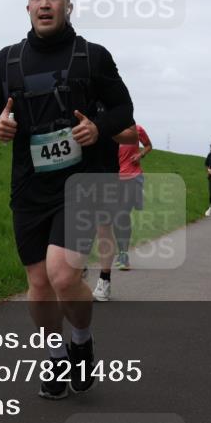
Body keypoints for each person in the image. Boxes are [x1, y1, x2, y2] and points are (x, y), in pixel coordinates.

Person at [0, 0, 134, 399]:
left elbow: (124, 109)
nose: (45, 3)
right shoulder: (8, 60)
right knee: (39, 286)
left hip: (83, 183)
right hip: (30, 186)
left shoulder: (92, 57)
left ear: (68, 5)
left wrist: (97, 128)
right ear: (27, 7)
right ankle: (55, 355)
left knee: (63, 275)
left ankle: (80, 341)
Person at [89, 121, 137, 302]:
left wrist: (100, 129)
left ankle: (104, 279)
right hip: (74, 174)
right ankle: (75, 269)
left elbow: (133, 136)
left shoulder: (112, 99)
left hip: (109, 175)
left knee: (105, 226)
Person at [112, 123, 151, 271]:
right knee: (116, 216)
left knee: (123, 212)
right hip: (115, 178)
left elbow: (148, 145)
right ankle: (121, 251)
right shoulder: (109, 130)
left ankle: (124, 255)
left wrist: (140, 154)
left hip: (133, 177)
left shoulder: (137, 129)